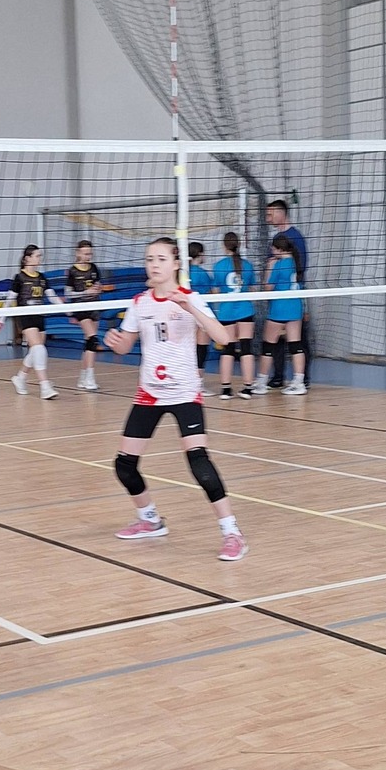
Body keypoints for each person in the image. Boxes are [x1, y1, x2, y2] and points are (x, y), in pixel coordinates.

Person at [104, 236, 247, 563]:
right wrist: (114, 341)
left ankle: (232, 533)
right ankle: (150, 520)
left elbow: (223, 338)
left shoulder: (190, 298)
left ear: (176, 264)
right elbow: (124, 347)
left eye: (161, 259)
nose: (154, 265)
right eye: (149, 259)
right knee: (124, 465)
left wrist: (189, 307)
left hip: (184, 393)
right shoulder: (139, 303)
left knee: (199, 463)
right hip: (149, 392)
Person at [0, 243, 61, 399]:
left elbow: (52, 296)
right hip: (25, 316)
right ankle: (45, 386)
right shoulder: (19, 278)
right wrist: (1, 320)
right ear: (27, 258)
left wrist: (69, 310)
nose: (39, 259)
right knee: (39, 349)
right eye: (37, 256)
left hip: (39, 316)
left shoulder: (42, 278)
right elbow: (9, 300)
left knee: (36, 351)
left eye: (40, 256)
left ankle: (20, 378)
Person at [253, 235, 307, 396]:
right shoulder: (296, 263)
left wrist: (269, 268)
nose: (271, 250)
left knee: (268, 346)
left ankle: (261, 383)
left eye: (273, 247)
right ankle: (299, 382)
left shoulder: (279, 264)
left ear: (279, 249)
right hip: (295, 307)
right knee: (295, 345)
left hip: (279, 308)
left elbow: (268, 287)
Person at [263, 199, 307, 387]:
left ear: (281, 213)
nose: (268, 219)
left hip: (286, 300)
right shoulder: (278, 240)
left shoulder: (295, 238)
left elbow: (299, 271)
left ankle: (301, 379)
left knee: (291, 341)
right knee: (288, 342)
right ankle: (283, 377)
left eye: (270, 214)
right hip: (286, 301)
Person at [65, 238, 114, 392]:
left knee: (89, 343)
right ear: (78, 253)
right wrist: (85, 292)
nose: (88, 257)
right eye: (85, 253)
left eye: (90, 254)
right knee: (93, 339)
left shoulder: (94, 268)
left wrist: (98, 289)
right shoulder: (72, 271)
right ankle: (90, 377)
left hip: (95, 306)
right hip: (81, 308)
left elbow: (98, 285)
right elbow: (68, 294)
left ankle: (82, 378)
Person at [212, 231, 256, 398]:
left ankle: (226, 389)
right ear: (239, 244)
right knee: (246, 348)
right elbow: (253, 289)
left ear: (224, 246)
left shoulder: (219, 266)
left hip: (227, 311)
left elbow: (215, 291)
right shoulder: (248, 265)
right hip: (245, 310)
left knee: (228, 349)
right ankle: (248, 388)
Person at [187, 241, 215, 371]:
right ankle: (198, 380)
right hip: (202, 314)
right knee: (201, 348)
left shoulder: (183, 273)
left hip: (187, 312)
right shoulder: (203, 274)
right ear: (200, 254)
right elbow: (212, 292)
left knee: (189, 348)